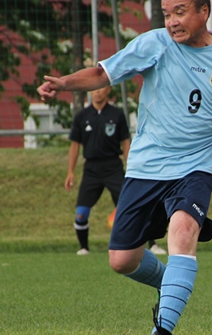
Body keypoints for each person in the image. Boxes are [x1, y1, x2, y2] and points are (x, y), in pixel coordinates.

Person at [38, 0, 212, 335]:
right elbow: (101, 73)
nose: (172, 21)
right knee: (121, 259)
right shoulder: (155, 45)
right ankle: (172, 285)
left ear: (204, 11)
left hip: (197, 168)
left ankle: (162, 331)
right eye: (166, 14)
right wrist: (63, 83)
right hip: (146, 168)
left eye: (180, 11)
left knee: (182, 231)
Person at [65, 85, 166, 256]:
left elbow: (126, 142)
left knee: (134, 206)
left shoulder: (116, 115)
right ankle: (84, 248)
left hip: (113, 167)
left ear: (107, 91)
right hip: (91, 169)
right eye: (94, 89)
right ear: (90, 92)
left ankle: (152, 244)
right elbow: (75, 145)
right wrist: (70, 171)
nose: (97, 91)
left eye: (100, 88)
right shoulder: (82, 116)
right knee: (81, 214)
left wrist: (131, 166)